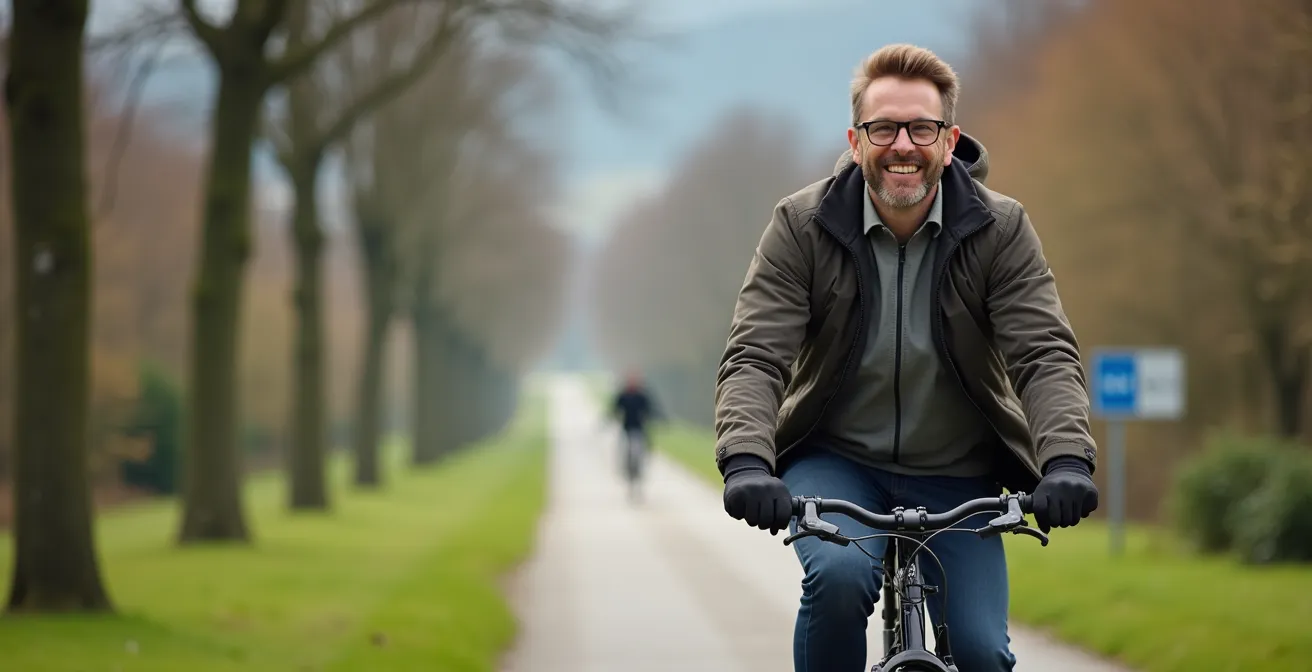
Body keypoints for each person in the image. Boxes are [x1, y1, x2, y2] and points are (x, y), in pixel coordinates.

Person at [713, 44, 1099, 672]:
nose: (902, 145)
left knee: (981, 653)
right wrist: (748, 461)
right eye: (884, 128)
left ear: (949, 141)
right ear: (855, 139)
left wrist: (1065, 460)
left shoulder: (1000, 229)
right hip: (836, 463)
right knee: (838, 581)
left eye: (922, 128)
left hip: (958, 474)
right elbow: (757, 354)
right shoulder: (801, 225)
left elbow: (1043, 353)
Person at [611, 372, 659, 499]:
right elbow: (615, 409)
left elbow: (650, 410)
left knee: (639, 455)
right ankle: (627, 475)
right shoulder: (623, 395)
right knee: (625, 453)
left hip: (639, 431)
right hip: (626, 430)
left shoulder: (642, 396)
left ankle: (639, 478)